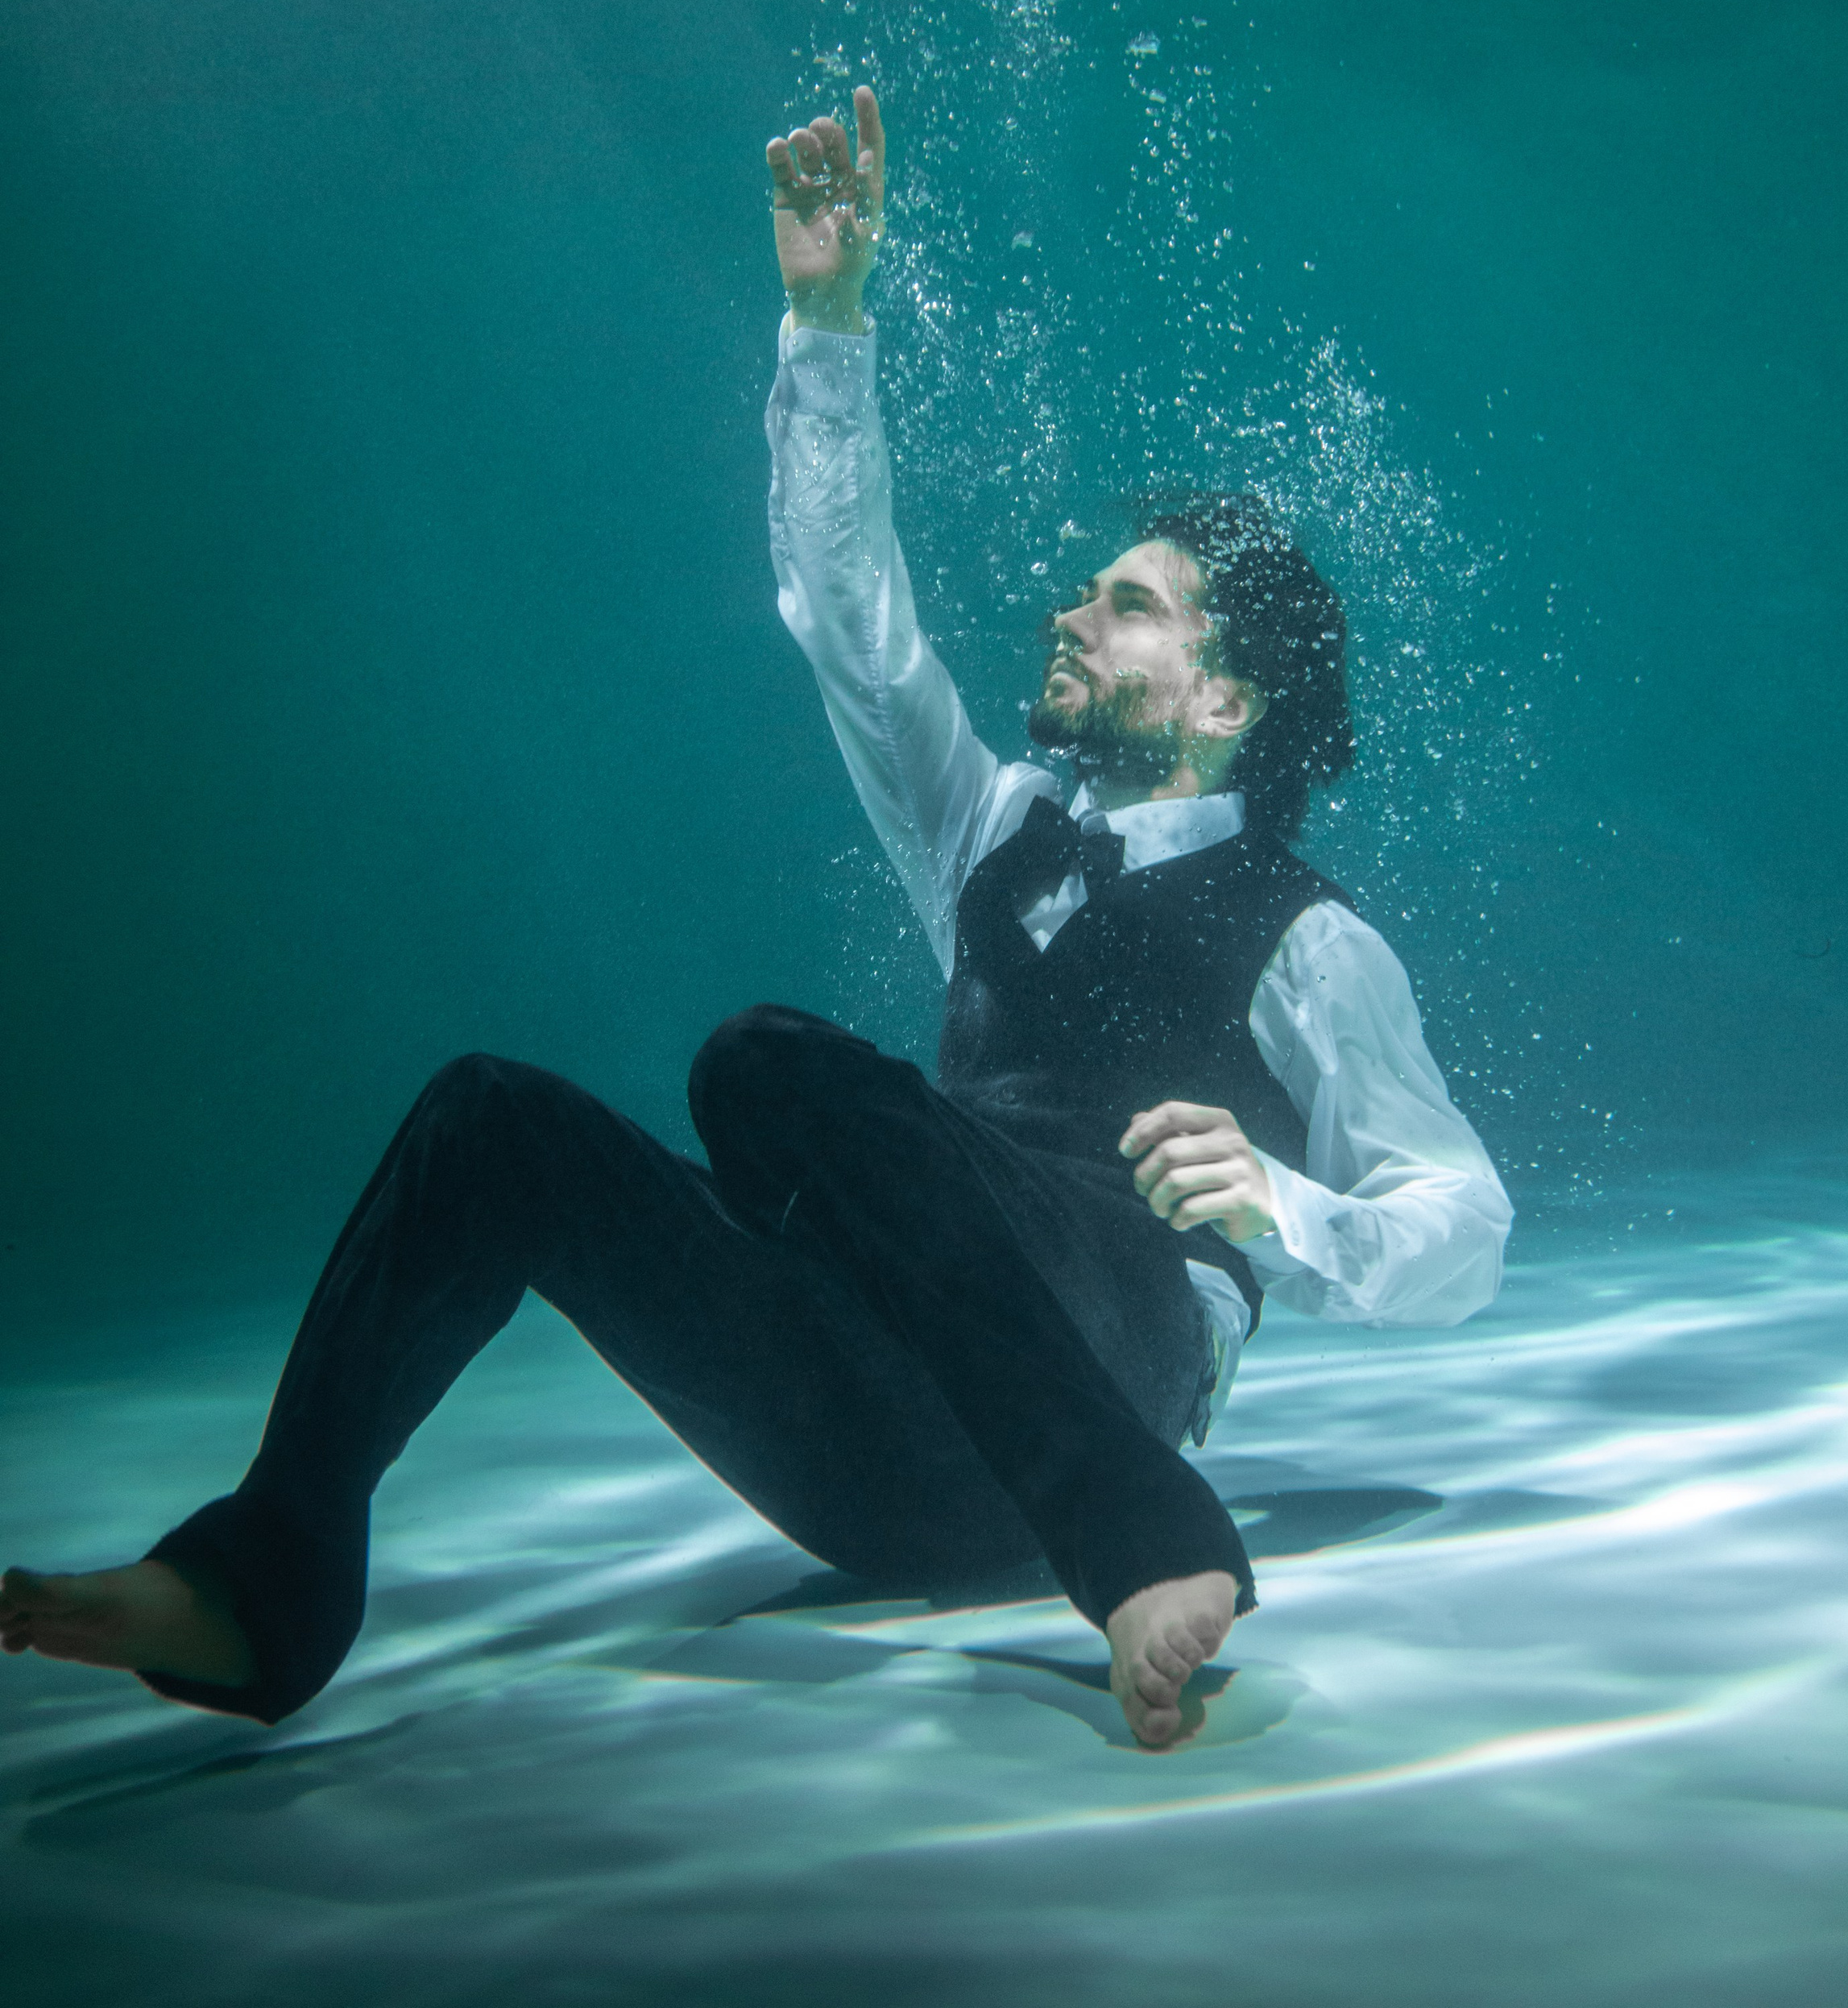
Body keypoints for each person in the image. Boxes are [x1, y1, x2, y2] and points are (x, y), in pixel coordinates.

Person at [1, 85, 1512, 1750]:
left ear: (1221, 696)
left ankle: (1138, 1538)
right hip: (886, 1463)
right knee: (491, 1120)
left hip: (1121, 1363)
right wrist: (823, 318)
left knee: (754, 1060)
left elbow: (1461, 1220)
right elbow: (849, 619)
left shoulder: (1308, 937)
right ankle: (262, 1588)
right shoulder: (997, 832)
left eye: (1125, 604)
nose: (1067, 612)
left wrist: (1287, 1206)